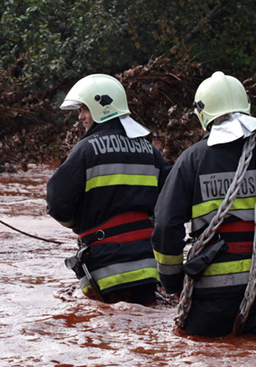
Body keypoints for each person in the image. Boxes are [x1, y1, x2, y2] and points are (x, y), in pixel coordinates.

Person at [152, 72, 256, 336]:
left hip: (211, 295)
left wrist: (173, 282)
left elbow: (167, 226)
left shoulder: (192, 160)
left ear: (202, 114)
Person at [46, 74, 170, 304]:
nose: (81, 116)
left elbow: (56, 202)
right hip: (149, 266)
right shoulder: (150, 150)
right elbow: (171, 199)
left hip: (106, 267)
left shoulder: (85, 150)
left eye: (85, 109)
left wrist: (78, 225)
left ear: (100, 106)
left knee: (106, 331)